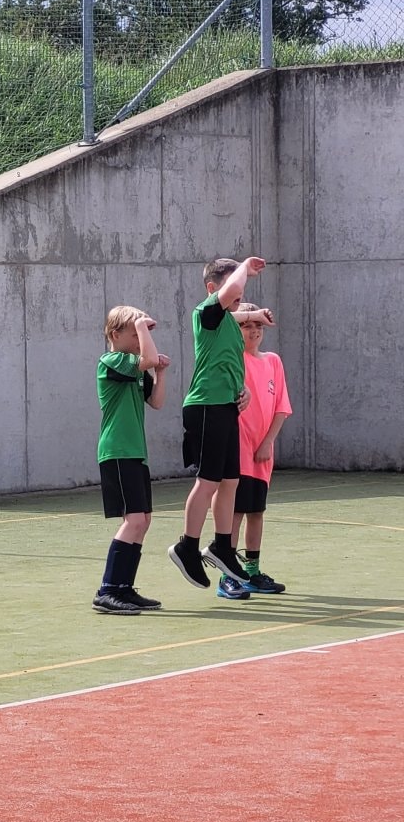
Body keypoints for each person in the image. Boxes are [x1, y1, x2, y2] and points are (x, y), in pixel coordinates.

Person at [168, 255, 268, 599]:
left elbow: (236, 331)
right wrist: (244, 267)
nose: (238, 294)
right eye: (230, 287)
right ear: (213, 289)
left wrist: (243, 389)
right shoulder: (206, 313)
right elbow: (232, 291)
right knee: (209, 481)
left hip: (225, 406)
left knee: (231, 481)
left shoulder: (227, 320)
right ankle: (187, 546)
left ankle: (222, 546)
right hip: (206, 406)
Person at [93, 305, 170, 615]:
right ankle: (108, 590)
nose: (141, 338)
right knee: (134, 520)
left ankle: (124, 588)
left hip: (136, 453)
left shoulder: (134, 369)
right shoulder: (111, 361)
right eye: (135, 333)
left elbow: (156, 402)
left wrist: (160, 374)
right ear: (115, 335)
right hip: (117, 451)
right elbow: (147, 358)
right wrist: (142, 325)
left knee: (143, 520)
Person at [222, 300, 292, 597]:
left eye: (258, 326)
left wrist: (267, 442)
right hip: (238, 450)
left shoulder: (273, 361)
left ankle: (252, 572)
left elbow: (281, 408)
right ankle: (228, 575)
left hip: (262, 454)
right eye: (246, 325)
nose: (253, 331)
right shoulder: (232, 359)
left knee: (256, 512)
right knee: (235, 512)